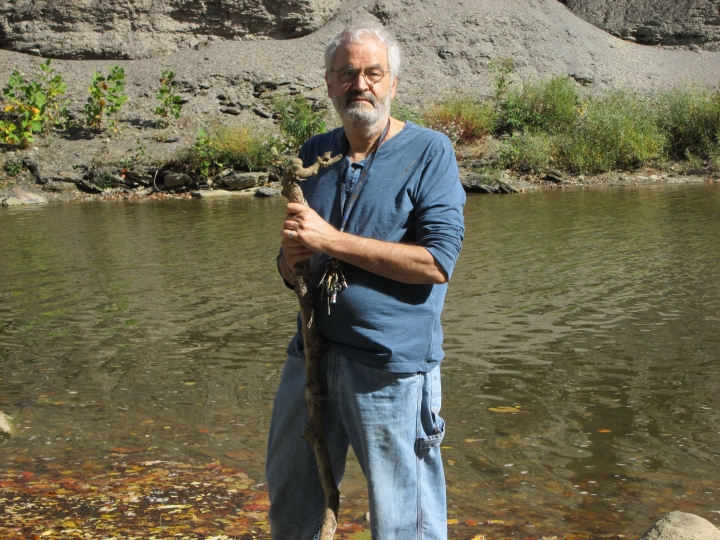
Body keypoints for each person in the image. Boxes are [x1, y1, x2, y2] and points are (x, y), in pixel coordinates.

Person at [266, 21, 466, 540]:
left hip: (391, 368)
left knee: (405, 524)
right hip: (311, 356)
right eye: (347, 74)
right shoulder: (314, 153)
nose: (361, 84)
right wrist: (291, 260)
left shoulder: (431, 152)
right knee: (291, 509)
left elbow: (436, 263)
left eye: (373, 73)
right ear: (329, 84)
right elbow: (292, 270)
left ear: (393, 83)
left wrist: (329, 241)